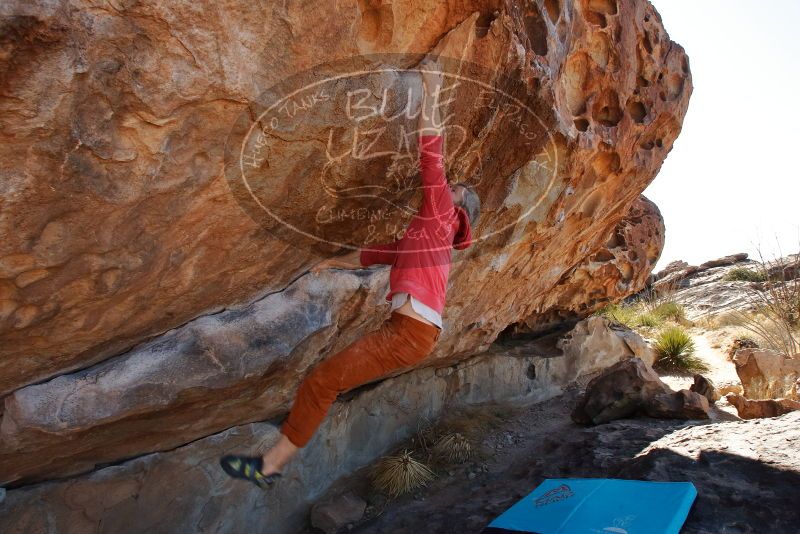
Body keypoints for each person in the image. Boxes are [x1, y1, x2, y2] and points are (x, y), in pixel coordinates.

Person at [219, 59, 481, 489]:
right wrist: (330, 262)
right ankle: (272, 463)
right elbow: (381, 253)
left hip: (408, 335)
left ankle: (270, 466)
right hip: (409, 332)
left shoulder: (442, 215)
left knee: (322, 382)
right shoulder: (428, 239)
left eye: (458, 189)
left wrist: (431, 89)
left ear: (459, 210)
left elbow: (431, 153)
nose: (452, 186)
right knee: (324, 382)